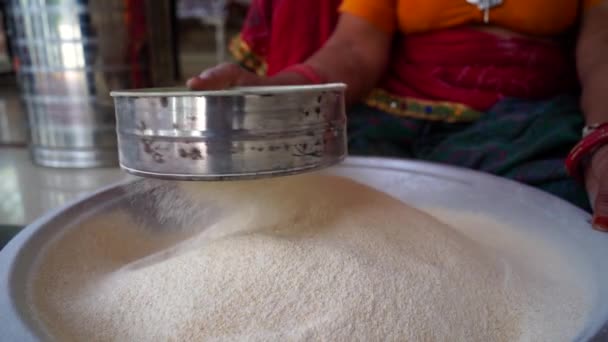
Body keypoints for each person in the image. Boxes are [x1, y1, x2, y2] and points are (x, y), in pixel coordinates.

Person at [187, 0, 608, 231]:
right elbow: (353, 49)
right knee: (312, 197)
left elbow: (601, 51)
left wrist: (601, 140)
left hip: (524, 122)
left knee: (557, 212)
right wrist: (276, 92)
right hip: (397, 118)